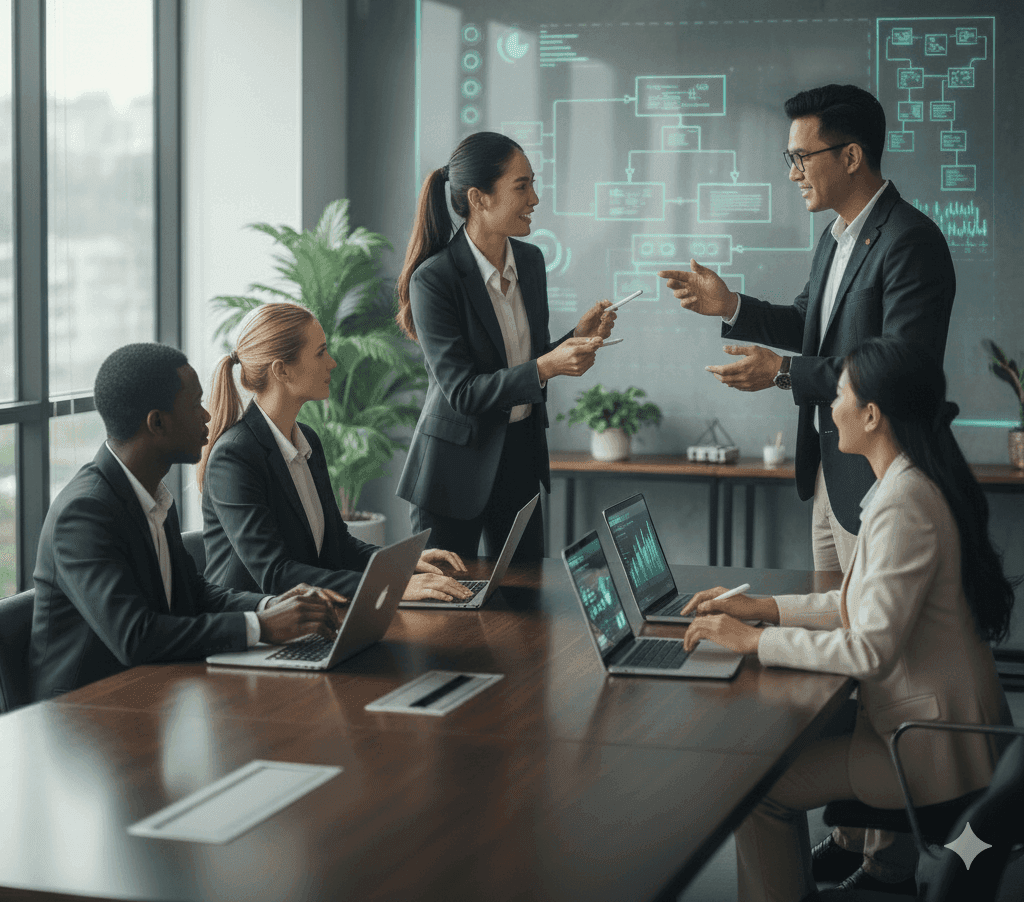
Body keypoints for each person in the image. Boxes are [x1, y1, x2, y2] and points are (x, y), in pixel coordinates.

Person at [681, 337, 1016, 902]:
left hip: (930, 748)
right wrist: (761, 608)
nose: (829, 408)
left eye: (838, 395)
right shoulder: (908, 484)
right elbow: (861, 604)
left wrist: (755, 642)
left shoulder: (903, 502)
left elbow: (868, 649)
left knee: (756, 790)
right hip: (950, 729)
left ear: (871, 414)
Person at [659, 84, 956, 575]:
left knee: (864, 641)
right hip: (829, 474)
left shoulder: (910, 241)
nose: (792, 173)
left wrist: (783, 372)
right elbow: (809, 324)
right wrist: (730, 304)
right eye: (788, 157)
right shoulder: (834, 238)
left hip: (882, 480)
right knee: (827, 626)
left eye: (801, 157)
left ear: (852, 156)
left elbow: (899, 367)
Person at [30, 343, 346, 701]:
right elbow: (136, 636)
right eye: (194, 403)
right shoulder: (85, 512)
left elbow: (191, 592)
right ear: (158, 423)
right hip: (81, 714)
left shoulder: (152, 495)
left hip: (151, 694)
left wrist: (268, 606)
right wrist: (261, 627)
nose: (207, 416)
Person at [395, 131, 616, 562]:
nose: (534, 198)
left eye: (533, 183)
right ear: (479, 199)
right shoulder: (434, 279)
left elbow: (518, 361)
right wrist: (548, 367)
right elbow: (463, 391)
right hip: (451, 472)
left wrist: (575, 338)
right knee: (444, 616)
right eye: (522, 186)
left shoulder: (530, 262)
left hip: (520, 459)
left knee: (523, 604)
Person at [199, 302, 472, 603]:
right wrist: (389, 586)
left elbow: (338, 546)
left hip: (308, 618)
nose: (332, 363)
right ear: (282, 370)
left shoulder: (309, 441)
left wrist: (398, 565)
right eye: (320, 352)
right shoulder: (234, 457)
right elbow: (276, 575)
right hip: (255, 628)